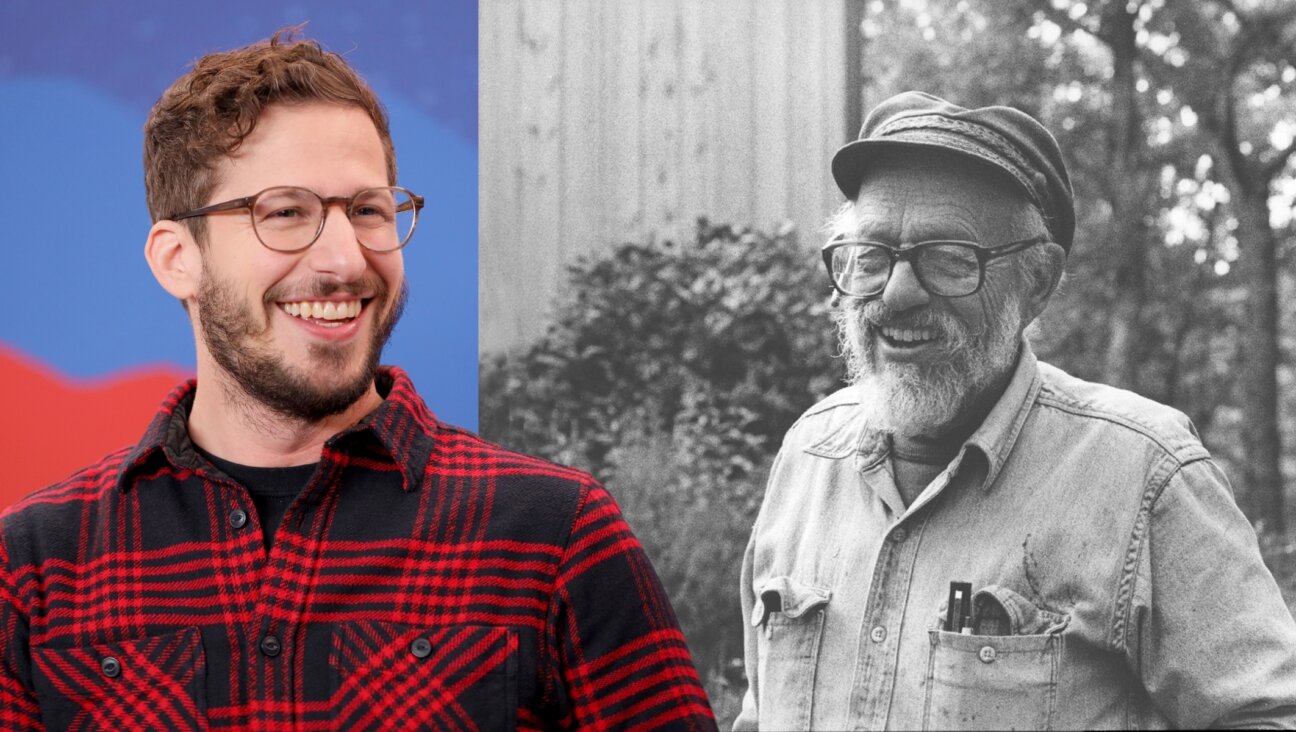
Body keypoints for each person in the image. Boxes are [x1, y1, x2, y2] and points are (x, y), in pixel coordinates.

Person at [0, 32, 715, 730]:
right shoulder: (36, 566)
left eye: (369, 211)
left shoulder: (553, 535)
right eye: (286, 213)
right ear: (176, 257)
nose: (345, 259)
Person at [735, 91, 1296, 730]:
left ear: (1036, 281)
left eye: (947, 260)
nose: (896, 294)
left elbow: (1268, 716)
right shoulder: (808, 456)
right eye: (870, 258)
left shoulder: (1144, 477)